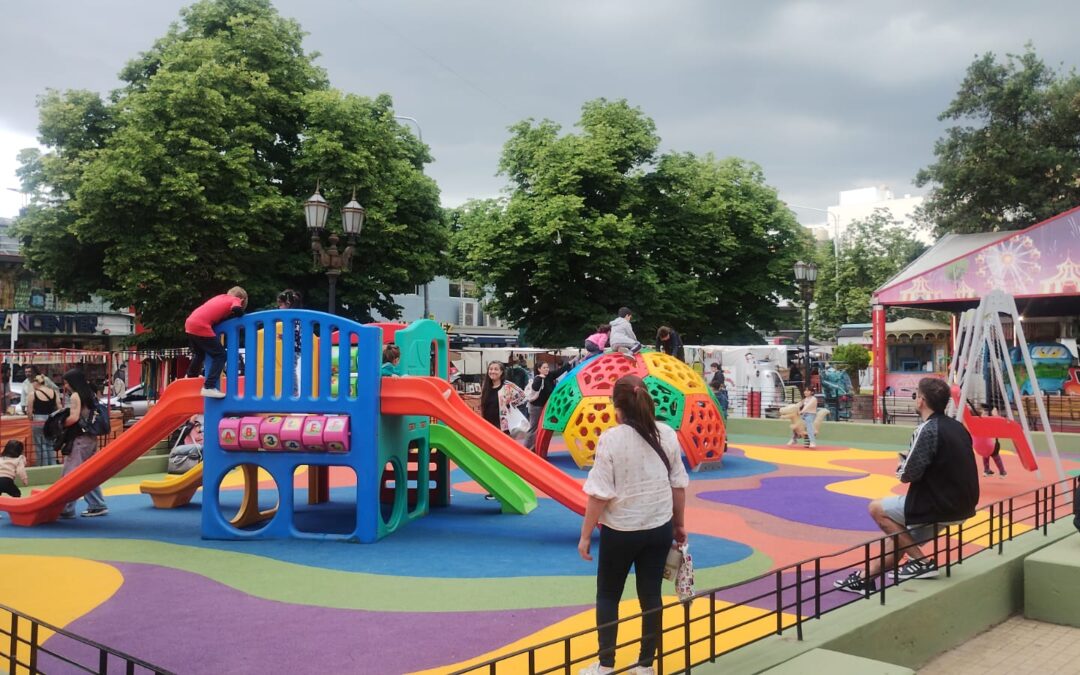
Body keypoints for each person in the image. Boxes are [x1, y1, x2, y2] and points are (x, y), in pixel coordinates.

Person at [578, 374, 689, 675]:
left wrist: (586, 535)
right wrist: (679, 524)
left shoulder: (611, 439)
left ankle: (605, 664)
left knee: (608, 594)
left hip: (621, 530)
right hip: (658, 525)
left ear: (617, 406)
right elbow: (678, 485)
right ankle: (645, 665)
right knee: (651, 594)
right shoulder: (667, 434)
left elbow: (599, 494)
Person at [835, 377, 979, 594]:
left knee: (877, 509)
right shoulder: (958, 427)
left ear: (921, 401)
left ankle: (921, 563)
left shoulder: (927, 429)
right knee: (902, 538)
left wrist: (901, 464)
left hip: (939, 503)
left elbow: (907, 474)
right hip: (963, 504)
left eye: (915, 395)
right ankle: (866, 579)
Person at [59, 369, 109, 518]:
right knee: (87, 474)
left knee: (70, 474)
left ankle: (66, 508)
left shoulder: (75, 396)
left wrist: (60, 424)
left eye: (66, 383)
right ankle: (97, 504)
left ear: (73, 382)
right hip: (91, 437)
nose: (65, 386)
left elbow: (74, 418)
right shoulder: (90, 393)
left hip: (79, 439)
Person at [184, 287, 248, 398]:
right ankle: (209, 386)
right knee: (220, 355)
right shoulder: (236, 300)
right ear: (241, 299)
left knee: (200, 354)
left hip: (190, 324)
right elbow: (237, 310)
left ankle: (190, 376)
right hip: (201, 325)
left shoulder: (220, 297)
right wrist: (242, 314)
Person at [524, 359, 574, 450]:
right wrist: (539, 378)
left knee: (540, 427)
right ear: (539, 369)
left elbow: (559, 371)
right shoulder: (538, 378)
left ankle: (534, 447)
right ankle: (526, 448)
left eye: (547, 367)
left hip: (544, 406)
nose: (547, 369)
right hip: (536, 407)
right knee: (533, 428)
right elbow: (534, 388)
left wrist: (570, 363)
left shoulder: (549, 376)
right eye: (544, 367)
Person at [479, 362, 527, 434]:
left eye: (496, 369)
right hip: (488, 424)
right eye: (490, 369)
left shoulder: (507, 386)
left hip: (503, 426)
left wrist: (511, 404)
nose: (493, 371)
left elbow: (523, 396)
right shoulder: (486, 387)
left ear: (501, 372)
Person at [27, 374, 59, 467]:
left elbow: (29, 411)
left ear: (36, 383)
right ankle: (52, 465)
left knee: (40, 445)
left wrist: (31, 419)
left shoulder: (33, 394)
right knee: (50, 444)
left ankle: (43, 466)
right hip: (51, 420)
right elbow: (59, 407)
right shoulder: (54, 393)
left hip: (38, 420)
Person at [277, 289, 304, 395]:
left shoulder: (294, 318)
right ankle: (289, 389)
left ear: (288, 304)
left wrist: (285, 336)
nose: (279, 307)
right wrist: (284, 336)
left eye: (281, 305)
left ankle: (294, 390)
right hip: (293, 346)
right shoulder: (293, 318)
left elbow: (295, 333)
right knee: (288, 367)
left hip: (294, 347)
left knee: (291, 368)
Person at [979, 405, 1007, 478]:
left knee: (985, 455)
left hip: (984, 444)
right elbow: (998, 420)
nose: (984, 414)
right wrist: (995, 414)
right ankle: (1002, 471)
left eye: (985, 413)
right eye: (983, 413)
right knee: (996, 456)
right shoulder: (989, 421)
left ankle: (986, 470)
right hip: (992, 443)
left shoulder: (979, 422)